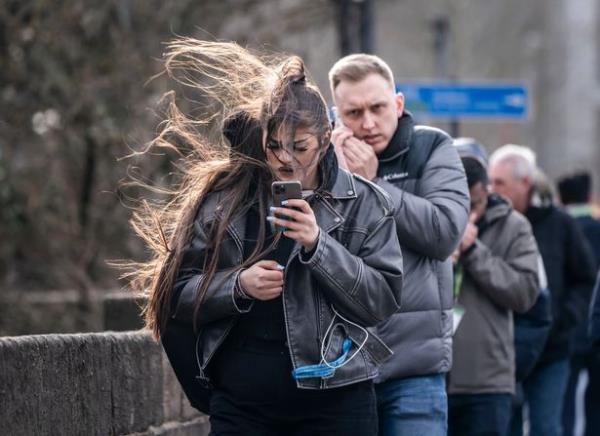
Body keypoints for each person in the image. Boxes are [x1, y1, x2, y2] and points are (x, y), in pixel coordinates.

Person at [128, 40, 405, 435]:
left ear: (326, 138)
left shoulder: (365, 203)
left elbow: (382, 301)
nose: (285, 159)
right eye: (274, 146)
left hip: (337, 399)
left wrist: (318, 244)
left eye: (299, 146)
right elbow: (174, 295)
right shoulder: (225, 201)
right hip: (244, 403)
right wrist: (238, 285)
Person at [328, 53, 470, 435]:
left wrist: (374, 185)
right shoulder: (324, 162)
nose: (368, 123)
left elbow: (444, 234)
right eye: (354, 113)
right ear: (336, 116)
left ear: (398, 103)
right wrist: (333, 178)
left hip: (414, 369)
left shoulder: (432, 148)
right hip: (344, 367)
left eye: (377, 107)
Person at [488, 145, 597, 436]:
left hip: (552, 349)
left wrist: (565, 319)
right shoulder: (489, 224)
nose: (492, 190)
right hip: (503, 349)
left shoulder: (560, 224)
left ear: (524, 183)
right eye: (490, 182)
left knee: (546, 426)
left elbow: (585, 278)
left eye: (500, 182)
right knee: (503, 426)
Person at [447, 138, 539, 436]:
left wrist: (474, 252)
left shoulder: (514, 226)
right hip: (432, 377)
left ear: (487, 191)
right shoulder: (434, 221)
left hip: (486, 383)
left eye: (474, 204)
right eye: (458, 204)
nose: (467, 215)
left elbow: (525, 292)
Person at [557, 171, 600, 436]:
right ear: (588, 196)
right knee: (596, 406)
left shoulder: (560, 228)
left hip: (568, 326)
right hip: (595, 329)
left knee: (564, 404)